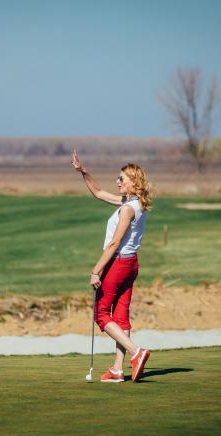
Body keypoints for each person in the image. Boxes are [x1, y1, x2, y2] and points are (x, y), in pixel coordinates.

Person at [71, 150, 151, 383]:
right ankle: (118, 369)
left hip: (118, 263)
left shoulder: (127, 208)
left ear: (133, 182)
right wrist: (83, 171)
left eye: (121, 179)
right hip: (131, 264)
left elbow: (115, 242)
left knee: (101, 314)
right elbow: (97, 192)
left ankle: (136, 352)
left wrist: (96, 270)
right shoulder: (135, 203)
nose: (117, 182)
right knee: (121, 316)